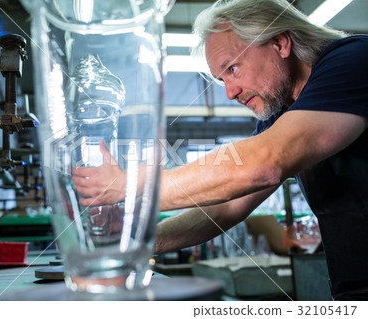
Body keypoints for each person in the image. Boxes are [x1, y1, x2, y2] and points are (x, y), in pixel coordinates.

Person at [72, 0, 368, 300]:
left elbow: (265, 164)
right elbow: (226, 207)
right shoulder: (282, 115)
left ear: (280, 43)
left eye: (233, 68)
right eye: (222, 79)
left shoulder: (354, 60)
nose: (230, 92)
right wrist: (135, 240)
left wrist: (129, 185)